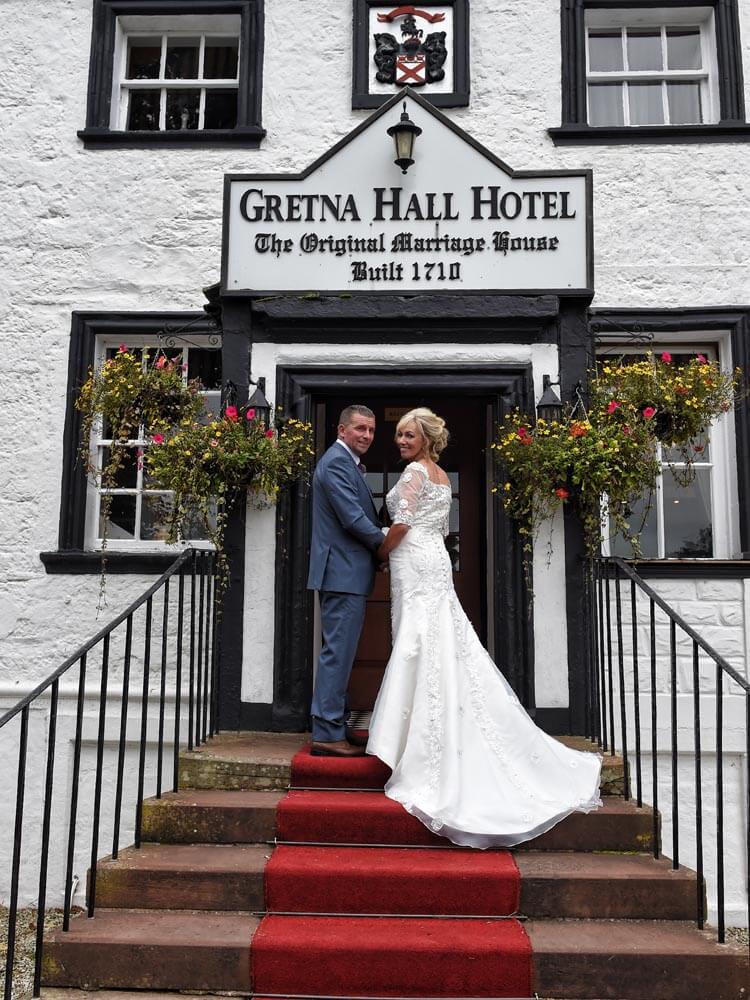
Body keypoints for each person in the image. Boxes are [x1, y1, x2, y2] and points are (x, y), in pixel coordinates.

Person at [368, 407, 602, 847]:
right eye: (399, 435)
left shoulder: (417, 473)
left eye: (408, 435)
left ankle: (416, 742)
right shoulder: (441, 476)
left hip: (415, 559)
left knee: (419, 639)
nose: (401, 441)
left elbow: (401, 524)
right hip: (433, 557)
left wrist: (381, 551)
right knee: (437, 639)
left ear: (426, 439)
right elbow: (440, 526)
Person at [307, 404, 386, 758]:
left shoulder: (347, 463)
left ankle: (335, 725)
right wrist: (387, 545)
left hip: (346, 572)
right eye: (359, 429)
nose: (366, 435)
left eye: (370, 430)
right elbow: (353, 518)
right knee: (337, 654)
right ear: (342, 431)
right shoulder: (337, 462)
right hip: (341, 573)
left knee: (341, 653)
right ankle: (326, 732)